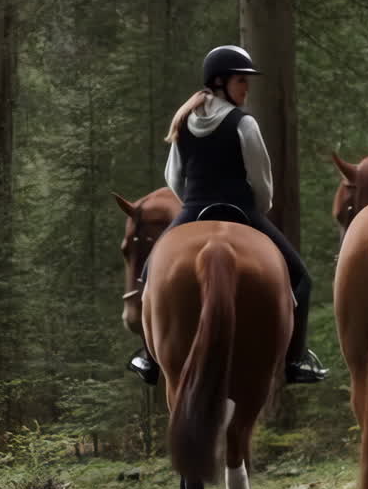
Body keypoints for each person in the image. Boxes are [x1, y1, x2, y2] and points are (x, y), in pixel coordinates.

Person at [127, 45, 327, 386]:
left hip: (192, 212)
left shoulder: (184, 120)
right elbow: (263, 185)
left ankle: (149, 357)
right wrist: (255, 214)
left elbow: (173, 178)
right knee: (301, 279)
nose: (246, 88)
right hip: (242, 211)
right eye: (241, 81)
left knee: (148, 278)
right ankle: (295, 361)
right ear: (219, 82)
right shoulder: (244, 123)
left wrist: (191, 204)